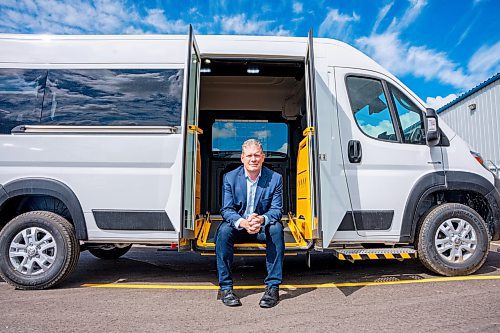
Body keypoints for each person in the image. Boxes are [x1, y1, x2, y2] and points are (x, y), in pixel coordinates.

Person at [216, 139, 284, 308]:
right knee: (223, 231)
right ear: (242, 158)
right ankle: (226, 288)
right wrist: (243, 223)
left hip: (261, 226)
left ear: (263, 157)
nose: (253, 159)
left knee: (276, 228)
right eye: (249, 156)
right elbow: (226, 210)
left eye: (256, 155)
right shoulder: (230, 178)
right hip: (240, 226)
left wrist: (262, 219)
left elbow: (277, 210)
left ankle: (272, 287)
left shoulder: (275, 178)